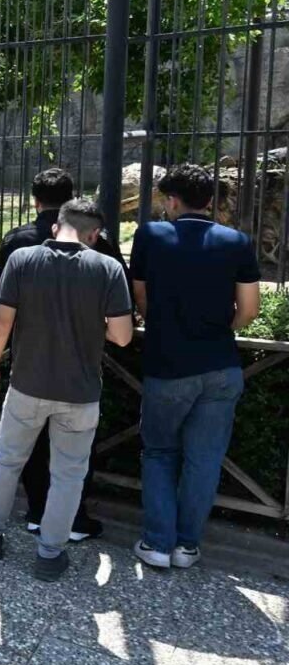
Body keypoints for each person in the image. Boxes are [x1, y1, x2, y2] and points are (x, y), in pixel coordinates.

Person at [0, 199, 134, 581]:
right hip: (80, 392)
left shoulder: (23, 260)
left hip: (27, 385)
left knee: (7, 459)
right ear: (94, 235)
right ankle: (49, 554)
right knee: (68, 474)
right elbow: (122, 336)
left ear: (55, 227)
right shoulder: (108, 268)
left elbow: (2, 324)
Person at [130, 163, 261, 569]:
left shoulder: (151, 235)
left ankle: (157, 543)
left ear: (172, 201)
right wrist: (221, 329)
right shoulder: (237, 242)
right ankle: (186, 546)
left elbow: (140, 296)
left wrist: (162, 323)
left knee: (159, 452)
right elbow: (249, 309)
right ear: (209, 201)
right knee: (204, 458)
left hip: (167, 363)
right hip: (221, 364)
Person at [0, 168, 124, 541]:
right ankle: (72, 520)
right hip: (82, 362)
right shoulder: (100, 243)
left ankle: (35, 510)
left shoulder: (17, 241)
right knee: (75, 454)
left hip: (29, 358)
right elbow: (121, 307)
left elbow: (2, 308)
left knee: (25, 446)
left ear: (34, 200)